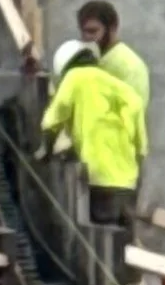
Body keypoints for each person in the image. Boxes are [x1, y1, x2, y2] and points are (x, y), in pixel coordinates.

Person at [40, 42, 146, 266]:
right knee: (123, 240)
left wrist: (46, 152)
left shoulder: (75, 78)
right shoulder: (121, 89)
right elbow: (140, 145)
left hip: (98, 177)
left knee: (99, 244)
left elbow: (53, 119)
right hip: (127, 179)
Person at [76, 0, 150, 112]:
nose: (86, 37)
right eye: (83, 31)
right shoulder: (87, 61)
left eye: (93, 31)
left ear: (112, 28)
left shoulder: (130, 66)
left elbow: (132, 113)